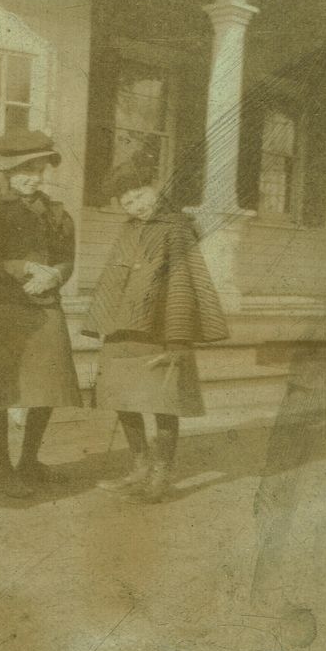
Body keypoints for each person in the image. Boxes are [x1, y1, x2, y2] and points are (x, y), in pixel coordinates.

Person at [82, 170, 229, 503]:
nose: (136, 206)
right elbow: (113, 279)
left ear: (154, 188)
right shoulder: (129, 230)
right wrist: (104, 318)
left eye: (140, 196)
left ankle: (161, 475)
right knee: (121, 398)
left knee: (164, 402)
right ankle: (138, 467)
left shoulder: (176, 229)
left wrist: (177, 336)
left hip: (162, 329)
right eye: (128, 203)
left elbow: (181, 282)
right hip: (124, 330)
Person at [0, 128, 82, 498]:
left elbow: (66, 259)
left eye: (38, 168)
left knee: (49, 388)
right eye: (23, 170)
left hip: (46, 306)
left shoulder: (57, 212)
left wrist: (55, 275)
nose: (32, 177)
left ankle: (28, 460)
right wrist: (28, 269)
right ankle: (3, 468)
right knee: (1, 391)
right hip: (4, 308)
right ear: (5, 172)